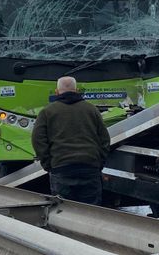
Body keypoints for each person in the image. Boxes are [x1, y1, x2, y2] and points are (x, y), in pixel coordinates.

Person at [32, 76, 110, 205]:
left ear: (56, 92)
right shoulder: (92, 110)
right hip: (89, 167)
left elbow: (38, 140)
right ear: (77, 90)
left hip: (61, 169)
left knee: (63, 211)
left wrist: (49, 164)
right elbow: (104, 140)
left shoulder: (47, 112)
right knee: (91, 211)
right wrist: (99, 163)